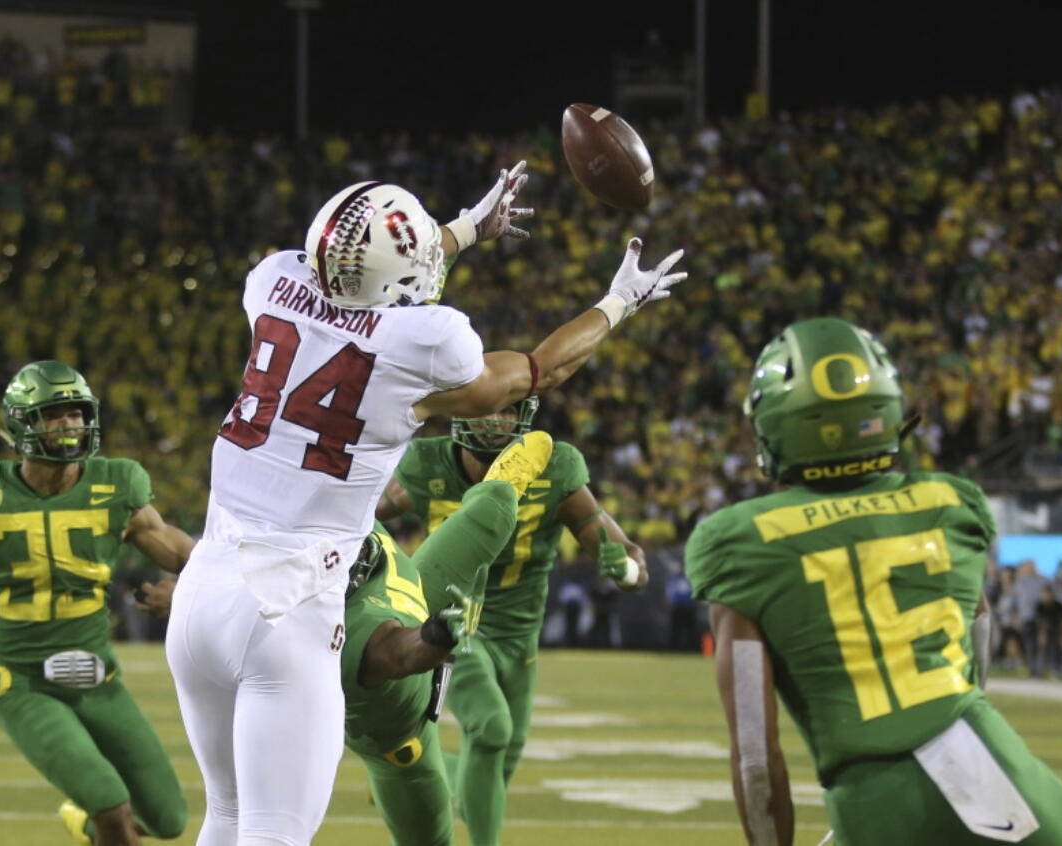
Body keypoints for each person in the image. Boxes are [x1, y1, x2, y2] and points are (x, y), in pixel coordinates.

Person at [165, 164, 687, 846]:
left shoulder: (271, 282)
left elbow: (359, 273)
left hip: (202, 594)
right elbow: (539, 371)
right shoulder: (427, 343)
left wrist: (468, 229)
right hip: (287, 612)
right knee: (272, 833)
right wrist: (618, 303)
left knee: (225, 818)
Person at [685, 317, 1062, 846]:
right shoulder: (949, 502)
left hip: (877, 801)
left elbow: (756, 760)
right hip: (994, 767)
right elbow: (975, 654)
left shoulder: (740, 540)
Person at [140, 431, 554, 846]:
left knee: (491, 513)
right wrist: (441, 632)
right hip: (398, 737)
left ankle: (503, 485)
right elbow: (401, 655)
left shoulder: (328, 521)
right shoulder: (329, 626)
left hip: (415, 588)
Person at [0, 360, 192, 846]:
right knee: (112, 806)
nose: (70, 424)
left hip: (98, 677)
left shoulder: (117, 486)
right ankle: (100, 818)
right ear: (21, 423)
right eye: (54, 414)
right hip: (20, 681)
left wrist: (186, 592)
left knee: (167, 819)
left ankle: (85, 823)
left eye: (77, 413)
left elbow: (189, 558)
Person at [377, 396, 647, 846]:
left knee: (492, 774)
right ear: (462, 409)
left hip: (521, 638)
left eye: (509, 410)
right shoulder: (429, 465)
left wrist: (628, 569)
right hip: (455, 623)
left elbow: (629, 553)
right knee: (492, 725)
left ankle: (410, 763)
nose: (498, 420)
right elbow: (354, 521)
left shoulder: (555, 468)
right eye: (490, 407)